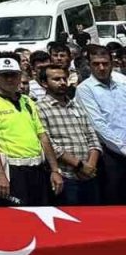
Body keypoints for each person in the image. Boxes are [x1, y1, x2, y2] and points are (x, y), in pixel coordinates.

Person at [0, 56, 62, 206]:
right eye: (5, 75)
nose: (10, 79)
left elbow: (42, 136)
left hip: (37, 168)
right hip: (12, 170)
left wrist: (55, 170)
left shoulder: (27, 101)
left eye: (13, 75)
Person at [37, 65, 101, 205]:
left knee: (94, 221)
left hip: (89, 175)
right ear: (44, 83)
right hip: (66, 176)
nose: (62, 82)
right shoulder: (39, 108)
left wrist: (90, 165)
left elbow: (92, 136)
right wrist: (78, 165)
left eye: (64, 78)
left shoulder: (76, 105)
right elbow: (47, 142)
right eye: (56, 79)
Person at [75, 43, 126, 204]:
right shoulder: (85, 89)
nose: (101, 68)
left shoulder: (122, 84)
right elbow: (98, 125)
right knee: (115, 200)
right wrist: (124, 149)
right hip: (110, 155)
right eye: (96, 64)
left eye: (105, 63)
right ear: (89, 66)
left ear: (112, 63)